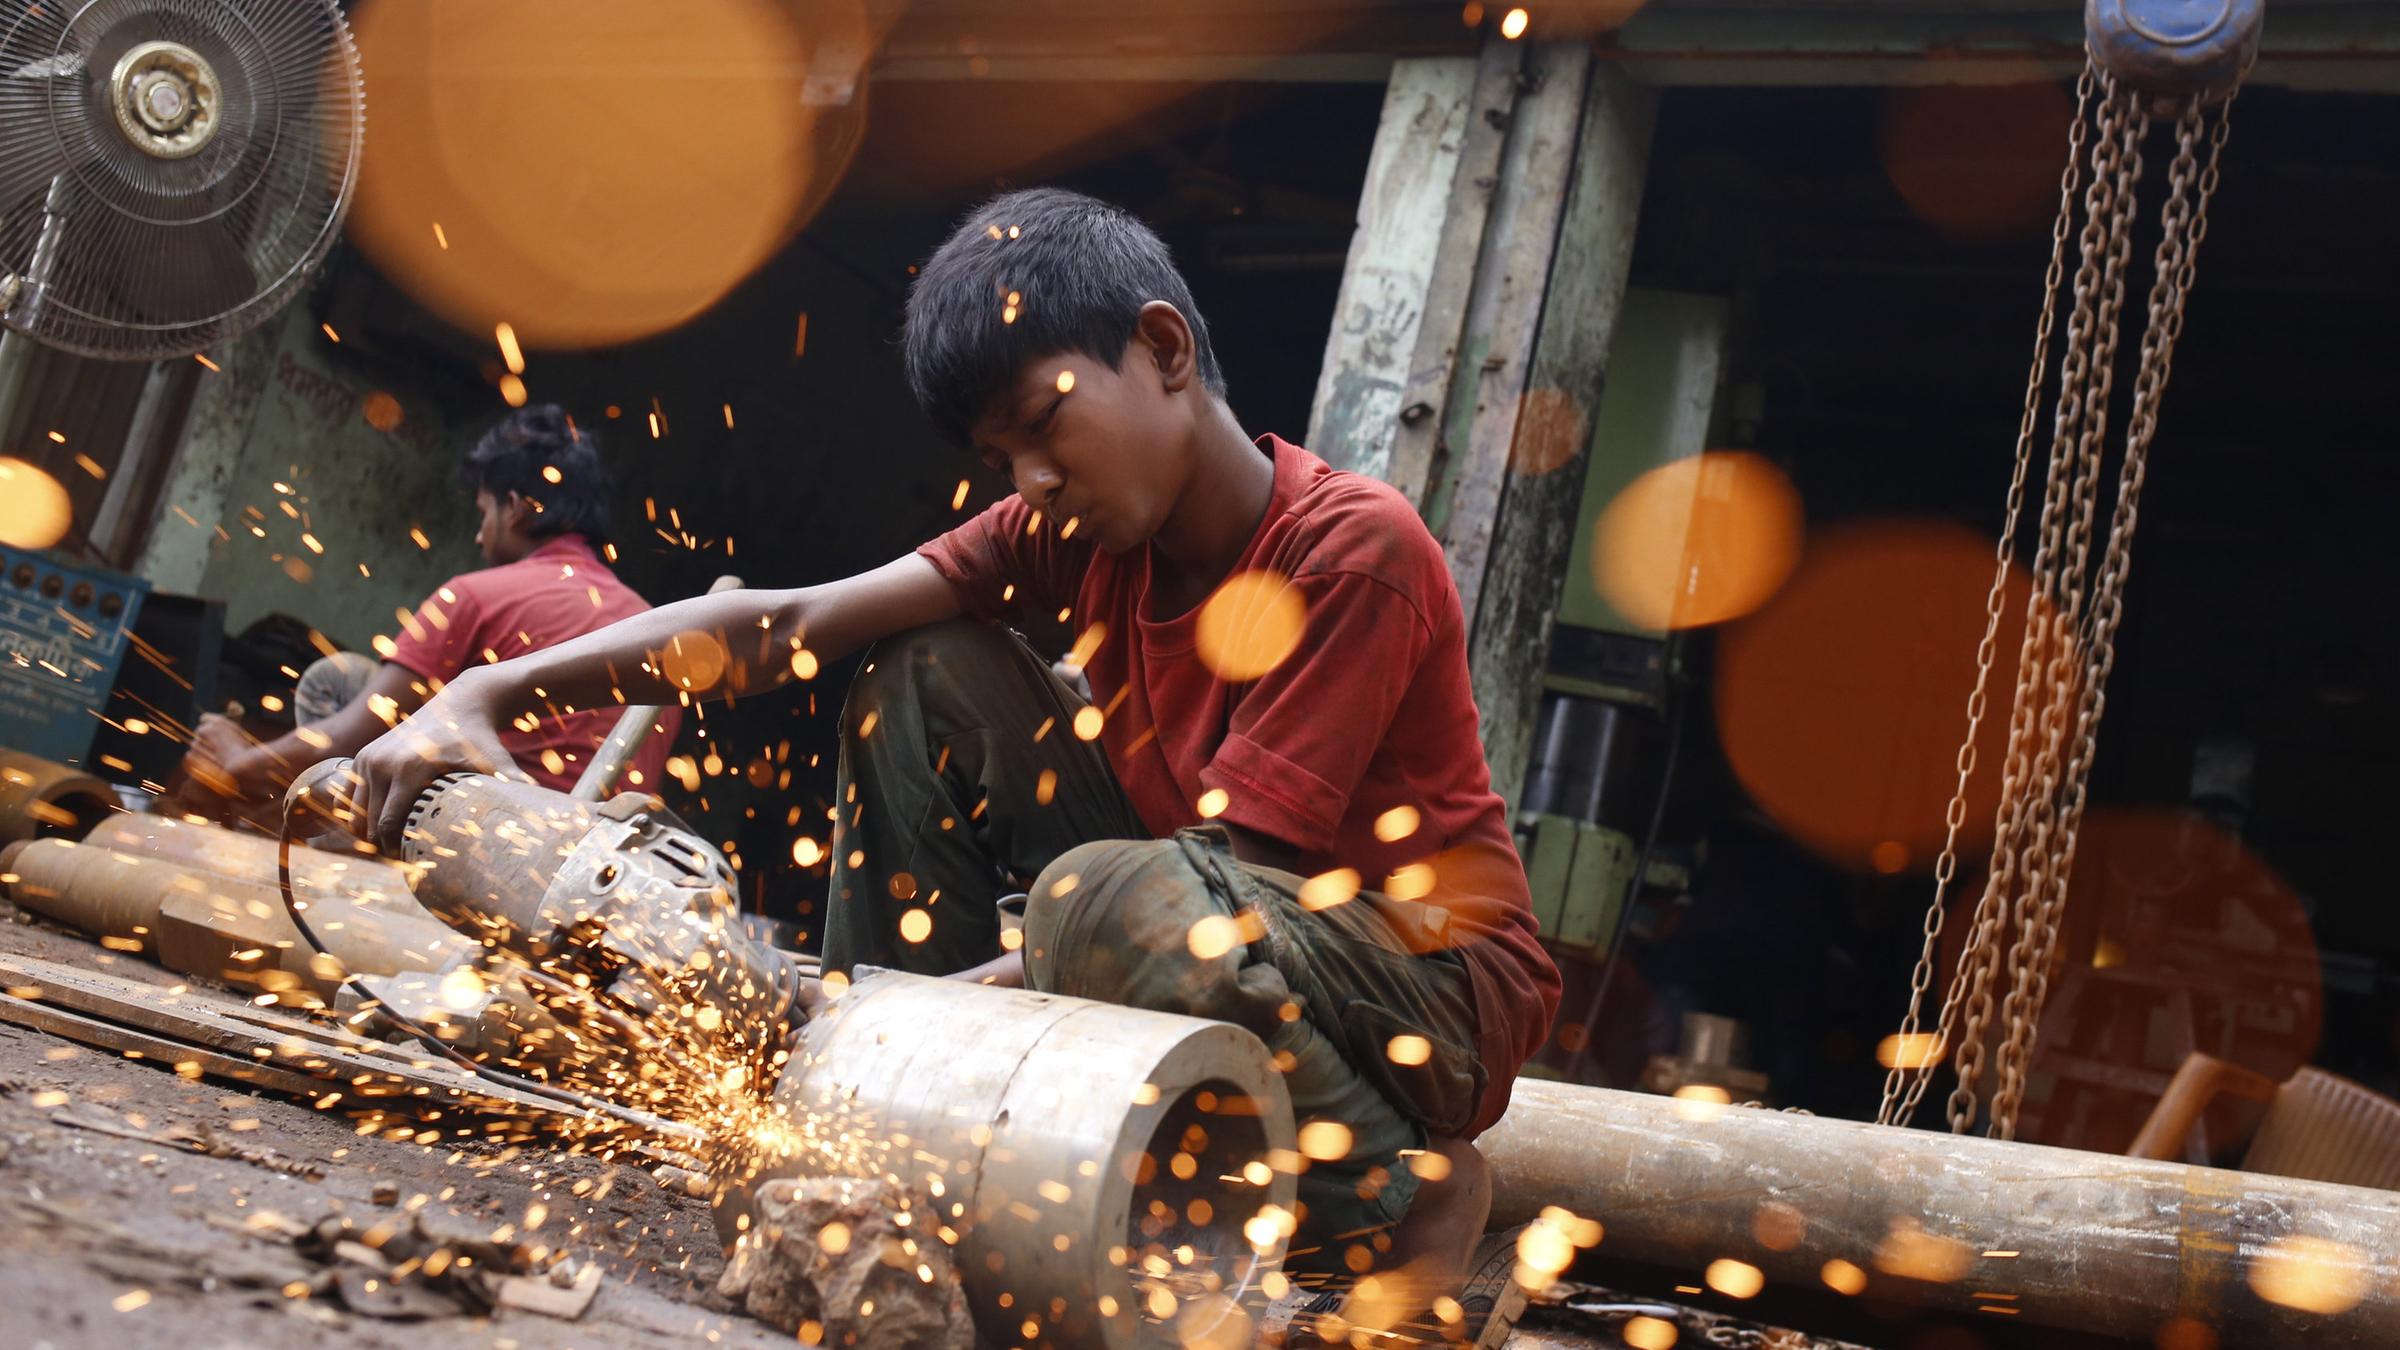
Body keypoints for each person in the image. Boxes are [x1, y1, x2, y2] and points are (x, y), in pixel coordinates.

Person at [346, 189, 1559, 1336]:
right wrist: (485, 690)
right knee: (916, 668)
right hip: (1206, 922)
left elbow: (1226, 877)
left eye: (1044, 424)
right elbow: (797, 624)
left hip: (1426, 992)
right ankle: (890, 1138)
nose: (1031, 477)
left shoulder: (1352, 547)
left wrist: (881, 1019)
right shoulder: (1065, 534)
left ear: (1166, 350)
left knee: (1105, 896)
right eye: (1002, 452)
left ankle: (1408, 1200)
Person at [182, 405, 677, 815]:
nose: (480, 536)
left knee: (331, 696)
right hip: (594, 866)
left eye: (484, 514)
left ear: (517, 507)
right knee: (353, 681)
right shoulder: (652, 630)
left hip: (479, 857)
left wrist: (238, 762)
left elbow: (347, 741)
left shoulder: (478, 595)